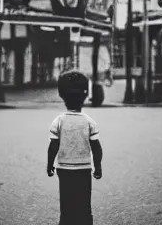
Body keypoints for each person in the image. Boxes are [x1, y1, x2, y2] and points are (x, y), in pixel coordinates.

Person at [47, 71, 103, 225]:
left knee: (66, 205)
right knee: (84, 206)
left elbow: (53, 145)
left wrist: (49, 164)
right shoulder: (89, 122)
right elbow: (97, 148)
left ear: (61, 94)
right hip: (84, 170)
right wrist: (97, 167)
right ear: (85, 96)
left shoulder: (58, 121)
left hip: (64, 170)